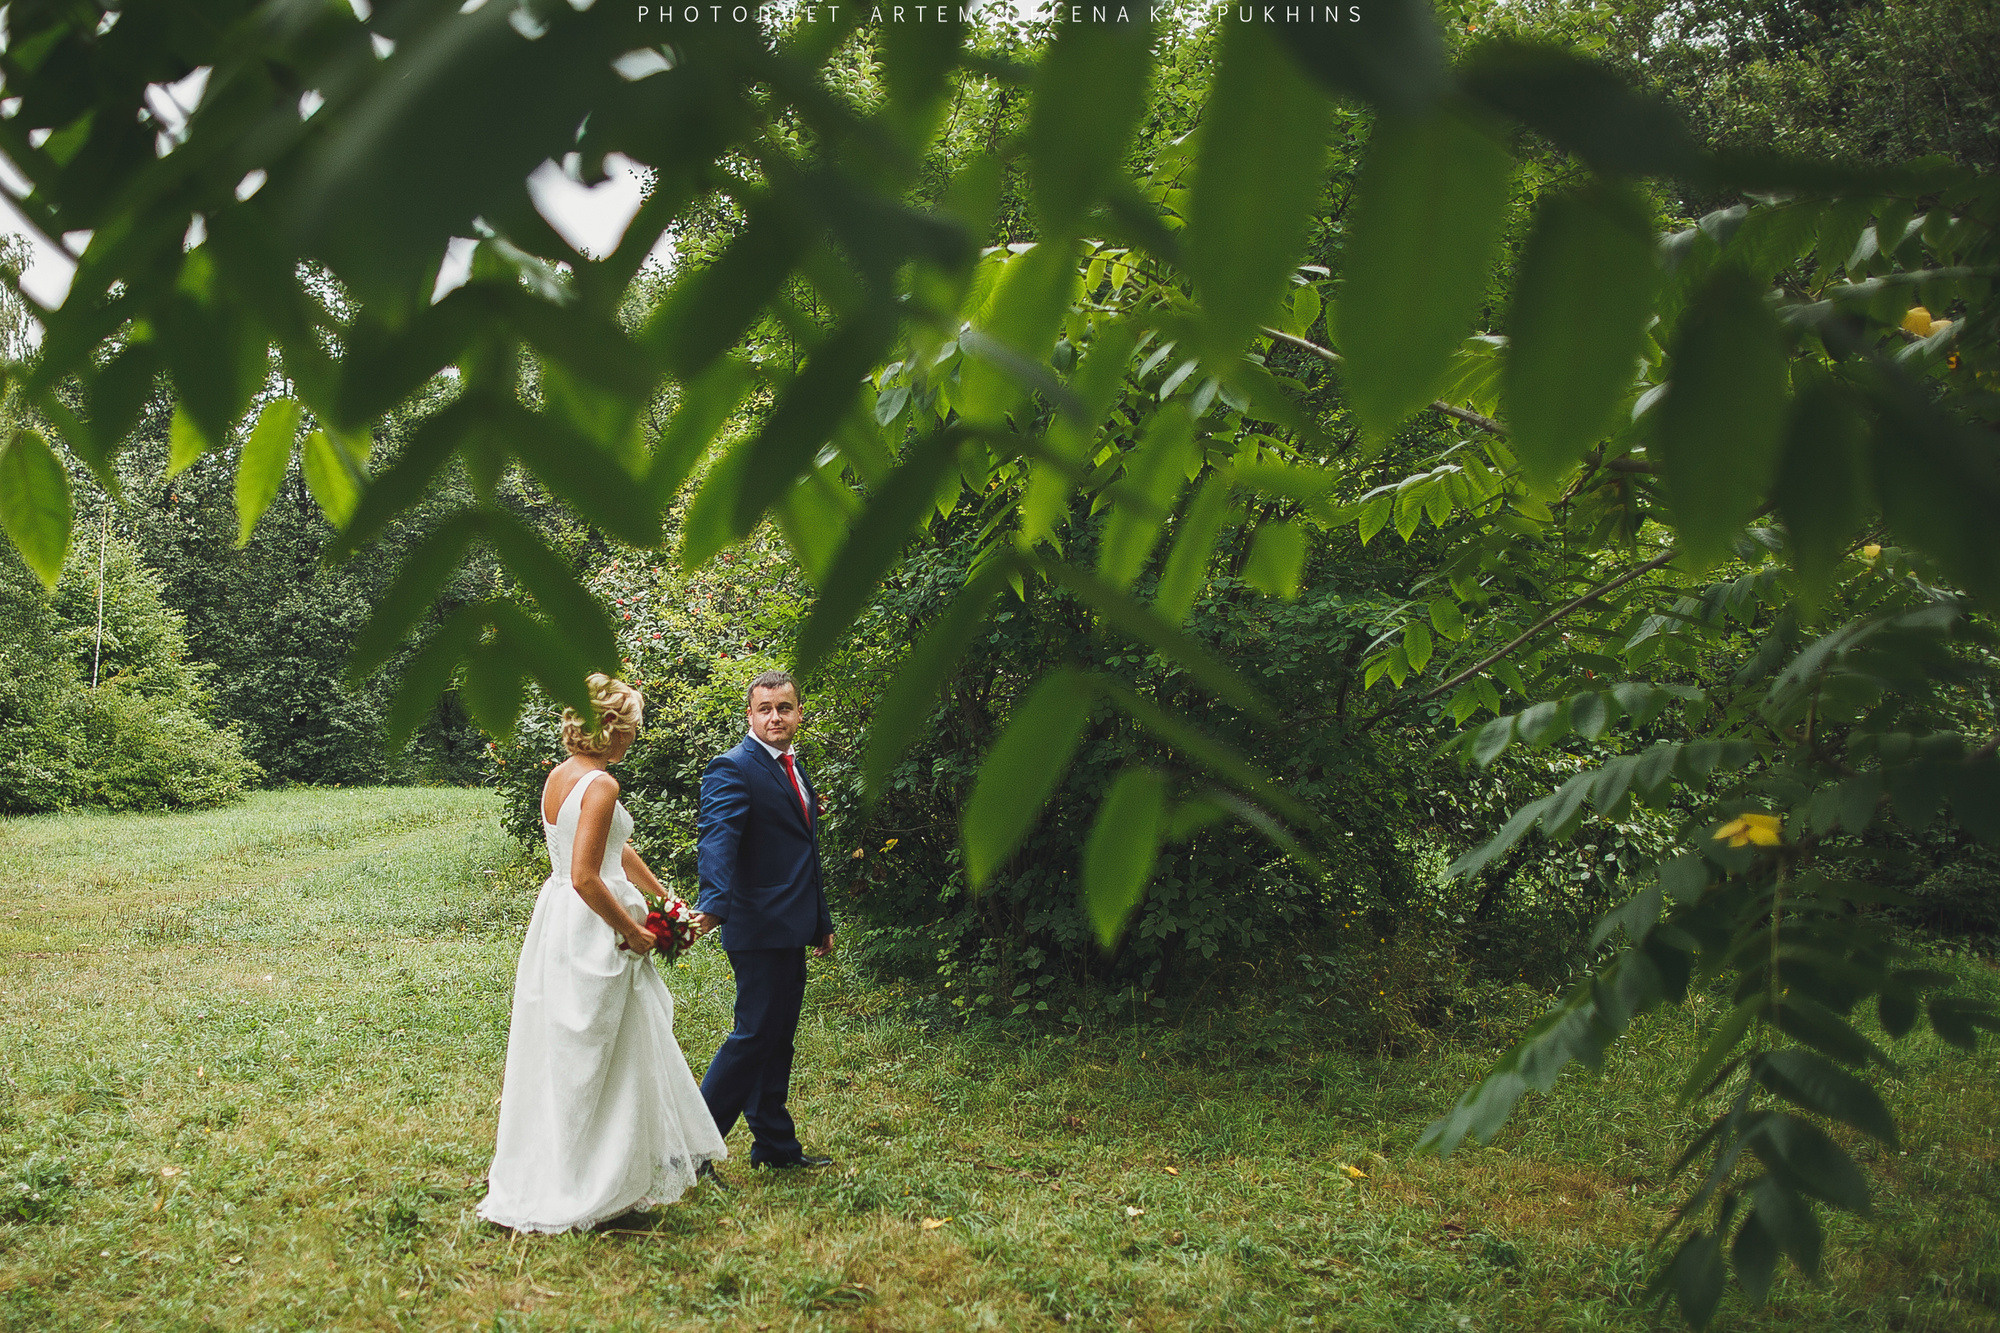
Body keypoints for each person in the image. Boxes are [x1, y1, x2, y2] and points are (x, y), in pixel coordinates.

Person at [477, 674, 726, 1233]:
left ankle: (594, 1168)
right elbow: (588, 876)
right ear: (612, 728)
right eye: (632, 727)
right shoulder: (603, 785)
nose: (635, 737)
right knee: (605, 1050)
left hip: (558, 923)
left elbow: (613, 844)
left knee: (574, 1046)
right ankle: (601, 1185)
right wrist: (633, 933)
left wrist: (664, 896)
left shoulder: (563, 777)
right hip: (595, 925)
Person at [693, 669, 835, 1170]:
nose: (776, 717)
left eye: (785, 708)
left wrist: (820, 921)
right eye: (765, 709)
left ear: (799, 712)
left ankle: (774, 1147)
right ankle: (692, 1150)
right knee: (753, 1037)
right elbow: (717, 840)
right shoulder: (733, 767)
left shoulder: (790, 767)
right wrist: (713, 903)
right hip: (757, 925)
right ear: (750, 715)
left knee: (776, 1040)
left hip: (790, 925)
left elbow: (803, 852)